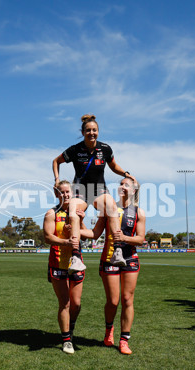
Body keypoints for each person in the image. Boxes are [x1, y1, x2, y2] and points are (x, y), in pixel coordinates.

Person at [52, 114, 135, 272]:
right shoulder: (75, 149)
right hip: (80, 190)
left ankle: (117, 251)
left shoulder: (105, 149)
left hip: (99, 190)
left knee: (111, 206)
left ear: (98, 131)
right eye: (88, 130)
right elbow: (56, 161)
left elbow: (114, 166)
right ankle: (75, 256)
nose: (92, 133)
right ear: (83, 132)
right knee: (73, 212)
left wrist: (126, 174)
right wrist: (57, 179)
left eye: (94, 130)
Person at [82, 177, 145, 355]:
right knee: (113, 301)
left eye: (126, 184)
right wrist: (78, 224)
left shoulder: (139, 212)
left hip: (130, 258)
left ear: (134, 191)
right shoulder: (108, 208)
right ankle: (109, 330)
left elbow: (140, 239)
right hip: (109, 259)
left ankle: (124, 340)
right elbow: (94, 234)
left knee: (127, 300)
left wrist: (124, 238)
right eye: (120, 184)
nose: (122, 186)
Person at [43, 180, 83, 354]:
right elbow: (48, 237)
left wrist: (79, 223)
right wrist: (65, 240)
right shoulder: (52, 213)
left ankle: (70, 328)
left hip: (76, 262)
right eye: (63, 192)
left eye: (69, 192)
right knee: (65, 303)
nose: (66, 195)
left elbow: (85, 235)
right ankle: (66, 339)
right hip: (58, 263)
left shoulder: (77, 213)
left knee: (76, 304)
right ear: (57, 194)